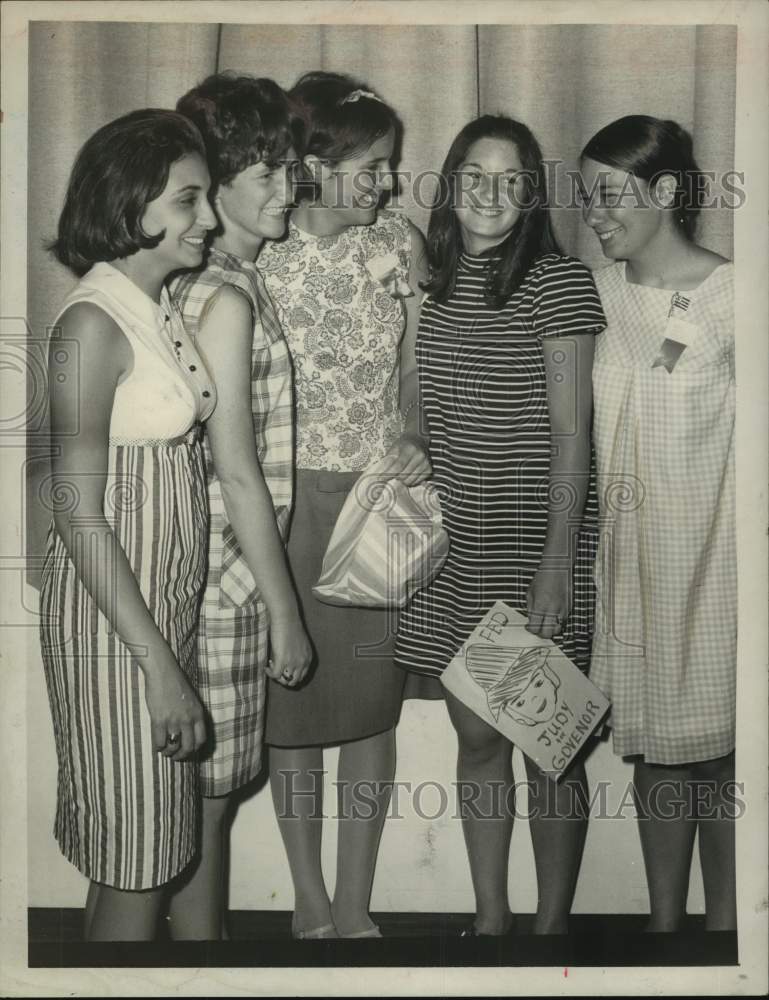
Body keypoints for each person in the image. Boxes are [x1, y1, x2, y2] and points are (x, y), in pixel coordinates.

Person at [394, 115, 606, 935]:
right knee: (478, 739)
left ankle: (551, 932)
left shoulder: (557, 282)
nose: (490, 193)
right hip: (454, 549)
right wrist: (412, 434)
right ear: (450, 185)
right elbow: (416, 387)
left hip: (532, 547)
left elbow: (571, 434)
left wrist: (557, 563)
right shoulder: (432, 279)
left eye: (510, 178)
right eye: (473, 176)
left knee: (548, 748)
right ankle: (490, 919)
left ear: (529, 193)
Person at [258, 71, 432, 939]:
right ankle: (308, 899)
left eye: (390, 167)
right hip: (282, 512)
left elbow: (417, 371)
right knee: (291, 710)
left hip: (377, 508)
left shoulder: (398, 243)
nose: (387, 183)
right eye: (372, 166)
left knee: (371, 705)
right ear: (315, 164)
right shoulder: (260, 246)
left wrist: (418, 437)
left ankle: (357, 900)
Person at [39, 109, 218, 941]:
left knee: (137, 849)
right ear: (130, 201)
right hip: (117, 629)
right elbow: (78, 514)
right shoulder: (89, 324)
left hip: (153, 612)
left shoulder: (154, 303)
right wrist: (161, 671)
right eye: (187, 201)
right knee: (139, 859)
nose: (208, 219)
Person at [580, 115, 736, 932]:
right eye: (586, 196)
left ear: (665, 192)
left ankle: (731, 930)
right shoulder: (594, 294)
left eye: (609, 195)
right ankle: (663, 927)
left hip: (718, 567)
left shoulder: (737, 295)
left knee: (718, 750)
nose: (593, 214)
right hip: (631, 566)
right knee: (656, 749)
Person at [169, 73, 313, 941]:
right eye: (263, 174)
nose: (285, 188)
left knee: (194, 811)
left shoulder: (225, 281)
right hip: (226, 587)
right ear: (213, 188)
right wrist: (286, 615)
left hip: (218, 580)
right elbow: (238, 475)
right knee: (200, 813)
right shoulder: (220, 293)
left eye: (289, 168)